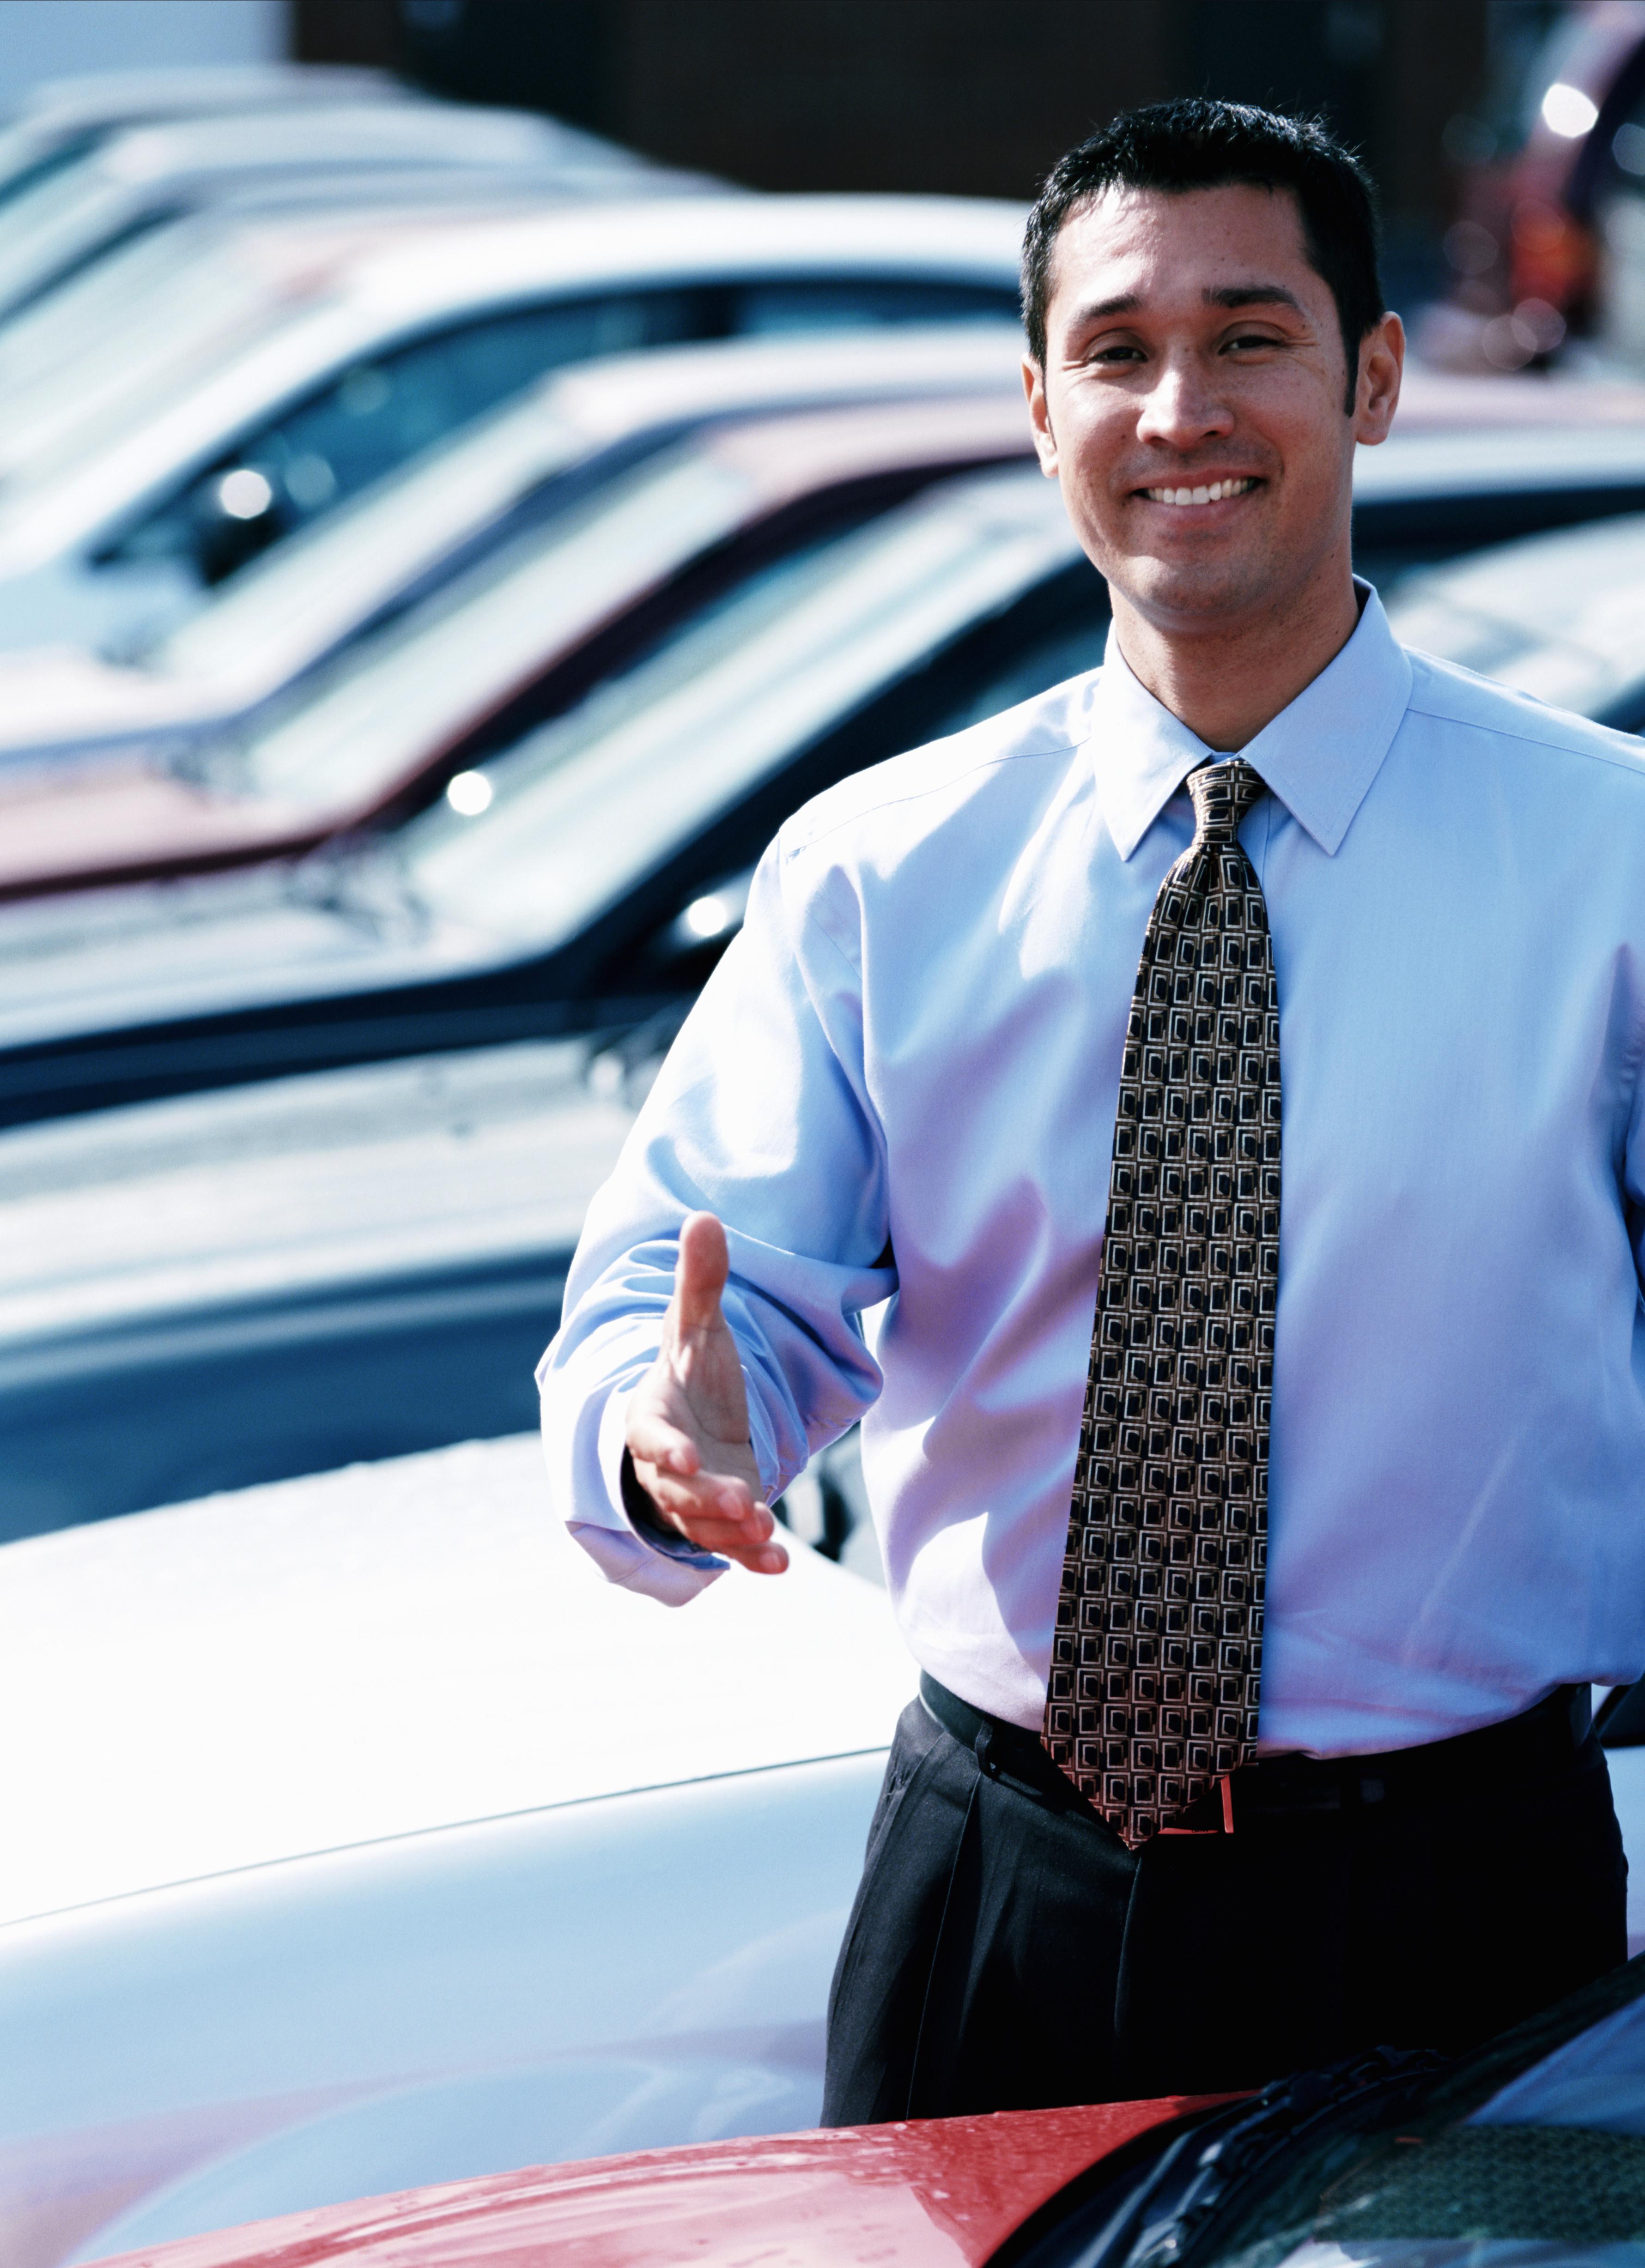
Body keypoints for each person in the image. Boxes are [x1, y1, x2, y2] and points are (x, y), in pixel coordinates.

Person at [540, 99, 1639, 2119]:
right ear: (1042, 407)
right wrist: (670, 1435)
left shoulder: (1612, 863)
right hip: (1002, 1890)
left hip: (1468, 1906)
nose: (1178, 410)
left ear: (1373, 378)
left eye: (1249, 338)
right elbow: (697, 1303)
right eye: (1117, 350)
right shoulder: (882, 869)